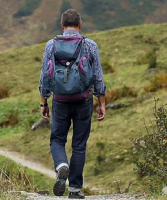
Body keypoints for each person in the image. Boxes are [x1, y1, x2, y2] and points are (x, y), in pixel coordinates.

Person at [38, 9, 106, 199]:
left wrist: (44, 102)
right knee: (79, 145)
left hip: (59, 100)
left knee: (57, 139)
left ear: (62, 25)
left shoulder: (51, 45)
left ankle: (61, 165)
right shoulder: (90, 45)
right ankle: (75, 189)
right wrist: (101, 103)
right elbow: (98, 76)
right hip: (84, 100)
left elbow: (45, 75)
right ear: (80, 25)